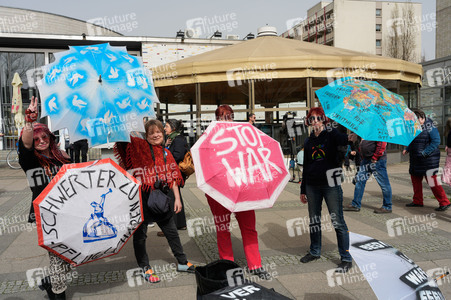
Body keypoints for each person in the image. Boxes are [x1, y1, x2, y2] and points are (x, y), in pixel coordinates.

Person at [114, 119, 195, 283]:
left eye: (158, 131)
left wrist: (177, 199)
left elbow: (173, 176)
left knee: (172, 232)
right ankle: (145, 267)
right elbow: (125, 144)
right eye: (151, 133)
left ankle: (182, 261)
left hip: (162, 198)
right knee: (140, 235)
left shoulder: (167, 152)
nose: (156, 135)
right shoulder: (140, 148)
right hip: (142, 198)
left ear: (163, 132)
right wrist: (123, 122)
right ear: (146, 135)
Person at [205, 105, 270, 279]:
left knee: (249, 228)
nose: (227, 120)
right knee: (223, 228)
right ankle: (227, 265)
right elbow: (205, 164)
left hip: (244, 189)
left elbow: (254, 156)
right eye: (222, 117)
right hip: (219, 191)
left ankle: (255, 265)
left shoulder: (242, 134)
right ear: (217, 119)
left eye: (229, 116)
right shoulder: (208, 137)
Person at [19, 96, 72, 299]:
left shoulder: (62, 156)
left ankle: (49, 282)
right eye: (37, 139)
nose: (41, 141)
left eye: (45, 138)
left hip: (67, 213)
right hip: (45, 215)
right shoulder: (30, 161)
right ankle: (58, 294)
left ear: (50, 138)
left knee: (69, 254)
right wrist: (29, 123)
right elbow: (25, 144)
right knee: (57, 256)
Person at [299, 107, 353, 273]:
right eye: (311, 119)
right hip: (312, 185)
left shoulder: (331, 134)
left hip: (331, 183)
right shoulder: (308, 141)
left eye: (317, 118)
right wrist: (303, 189)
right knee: (314, 220)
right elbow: (306, 166)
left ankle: (346, 258)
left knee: (338, 221)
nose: (314, 122)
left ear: (324, 120)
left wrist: (351, 137)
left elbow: (344, 139)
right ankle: (315, 251)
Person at [403, 110, 450, 211]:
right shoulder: (413, 127)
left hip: (428, 159)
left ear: (422, 118)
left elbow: (436, 141)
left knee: (432, 181)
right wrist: (407, 149)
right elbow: (411, 140)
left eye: (416, 119)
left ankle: (444, 202)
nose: (414, 122)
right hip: (416, 159)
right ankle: (417, 201)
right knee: (415, 180)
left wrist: (424, 153)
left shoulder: (430, 126)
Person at [343, 138, 393, 213]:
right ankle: (355, 204)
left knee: (384, 184)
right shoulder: (367, 128)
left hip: (377, 160)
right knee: (359, 181)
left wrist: (375, 157)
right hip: (366, 160)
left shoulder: (378, 128)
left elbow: (382, 144)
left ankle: (387, 206)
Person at [163, 119, 188, 231]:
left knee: (172, 197)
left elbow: (178, 155)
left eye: (166, 126)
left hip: (175, 172)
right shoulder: (172, 139)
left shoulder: (178, 139)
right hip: (173, 171)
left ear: (173, 128)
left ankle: (172, 226)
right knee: (176, 197)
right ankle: (180, 223)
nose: (164, 128)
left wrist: (166, 154)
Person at [443, 118, 451, 186]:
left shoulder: (448, 132)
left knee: (448, 165)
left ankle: (447, 179)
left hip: (449, 150)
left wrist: (447, 146)